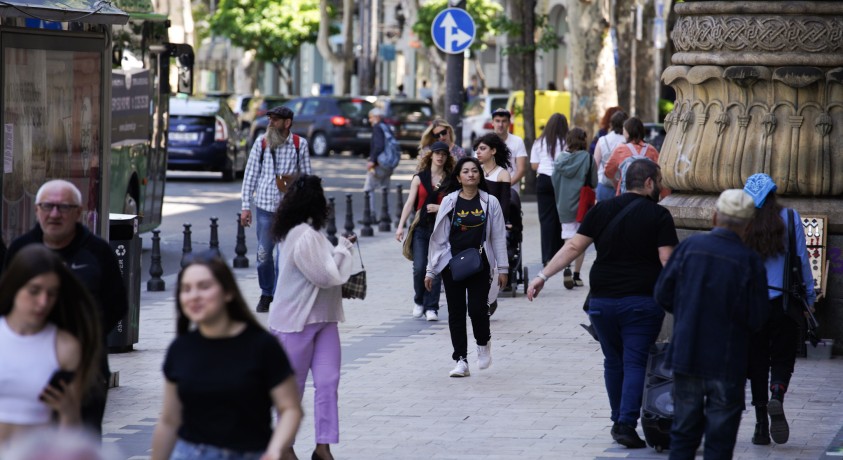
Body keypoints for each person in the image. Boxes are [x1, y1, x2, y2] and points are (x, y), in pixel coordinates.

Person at [527, 159, 678, 448]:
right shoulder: (659, 216)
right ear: (648, 183)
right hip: (641, 302)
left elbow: (573, 246)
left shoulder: (602, 209)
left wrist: (543, 276)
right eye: (657, 180)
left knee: (613, 361)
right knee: (635, 362)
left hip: (602, 302)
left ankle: (617, 419)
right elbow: (666, 261)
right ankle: (624, 423)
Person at [5, 180, 127, 437]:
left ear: (78, 212)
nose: (54, 214)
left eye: (63, 207)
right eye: (47, 206)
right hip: (29, 367)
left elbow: (117, 304)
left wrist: (85, 336)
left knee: (79, 440)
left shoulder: (98, 252)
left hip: (86, 368)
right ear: (37, 210)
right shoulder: (21, 250)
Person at [151, 253, 303, 460]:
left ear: (228, 292)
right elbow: (169, 421)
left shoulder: (262, 345)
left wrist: (276, 449)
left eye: (204, 286)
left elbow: (290, 409)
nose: (194, 295)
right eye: (186, 289)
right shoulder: (180, 349)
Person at [653, 189, 770, 459]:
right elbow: (758, 318)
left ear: (715, 216)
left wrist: (688, 314)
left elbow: (663, 294)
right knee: (720, 440)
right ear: (749, 225)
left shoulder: (690, 247)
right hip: (727, 362)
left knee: (683, 434)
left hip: (688, 352)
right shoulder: (750, 261)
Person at [268, 175, 356, 460]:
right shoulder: (303, 235)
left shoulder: (310, 234)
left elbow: (325, 269)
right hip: (295, 324)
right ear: (317, 203)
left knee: (328, 383)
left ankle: (323, 448)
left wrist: (340, 249)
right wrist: (344, 249)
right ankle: (284, 448)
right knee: (292, 390)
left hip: (324, 321)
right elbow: (325, 275)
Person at [0, 245, 101, 448]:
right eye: (34, 291)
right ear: (15, 286)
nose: (43, 302)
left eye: (52, 293)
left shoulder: (64, 348)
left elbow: (71, 428)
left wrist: (68, 411)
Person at [742, 173, 816, 446]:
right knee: (783, 358)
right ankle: (777, 393)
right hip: (784, 303)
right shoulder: (791, 216)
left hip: (752, 305)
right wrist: (809, 296)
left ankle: (761, 425)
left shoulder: (742, 221)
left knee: (757, 362)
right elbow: (801, 260)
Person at [425, 157, 508, 377]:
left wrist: (503, 268)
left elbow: (499, 237)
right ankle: (461, 359)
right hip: (452, 265)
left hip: (480, 264)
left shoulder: (490, 202)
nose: (470, 174)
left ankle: (483, 344)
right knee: (456, 312)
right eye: (466, 171)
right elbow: (438, 238)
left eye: (474, 171)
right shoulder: (449, 202)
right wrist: (430, 270)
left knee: (477, 310)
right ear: (458, 177)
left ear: (479, 175)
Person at [241, 106, 313, 313]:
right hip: (265, 208)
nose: (270, 123)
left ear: (287, 123)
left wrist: (309, 209)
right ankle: (267, 293)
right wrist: (246, 207)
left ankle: (282, 297)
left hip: (290, 211)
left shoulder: (300, 145)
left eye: (275, 120)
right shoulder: (261, 143)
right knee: (263, 257)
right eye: (269, 119)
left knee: (285, 258)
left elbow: (307, 178)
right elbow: (250, 176)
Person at [396, 142, 455, 322]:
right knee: (419, 268)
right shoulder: (419, 178)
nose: (440, 157)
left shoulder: (450, 180)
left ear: (447, 157)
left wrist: (440, 207)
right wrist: (400, 226)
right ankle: (419, 300)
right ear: (430, 156)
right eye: (437, 153)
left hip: (440, 228)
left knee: (435, 268)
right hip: (421, 227)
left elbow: (455, 202)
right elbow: (409, 203)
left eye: (443, 154)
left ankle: (432, 307)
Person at [550, 128, 597, 289]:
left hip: (563, 203)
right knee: (581, 239)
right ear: (583, 140)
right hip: (582, 204)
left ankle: (567, 267)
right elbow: (594, 182)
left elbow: (554, 182)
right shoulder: (588, 158)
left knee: (568, 238)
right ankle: (577, 275)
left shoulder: (559, 160)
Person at [530, 113, 568, 266]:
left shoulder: (540, 141)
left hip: (544, 180)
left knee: (546, 219)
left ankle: (547, 257)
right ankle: (561, 255)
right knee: (561, 218)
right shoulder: (567, 142)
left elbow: (533, 165)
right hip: (562, 182)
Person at [604, 117, 667, 199]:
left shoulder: (620, 149)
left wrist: (616, 183)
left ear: (627, 133)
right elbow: (661, 173)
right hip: (648, 195)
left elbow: (608, 171)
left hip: (625, 195)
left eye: (624, 130)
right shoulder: (651, 150)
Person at [474, 133, 512, 224]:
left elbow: (504, 205)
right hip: (474, 218)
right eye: (477, 149)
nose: (478, 152)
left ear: (493, 151)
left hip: (494, 221)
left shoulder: (503, 174)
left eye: (482, 148)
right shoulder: (475, 170)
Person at [365, 108, 396, 212]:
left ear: (377, 117)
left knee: (368, 188)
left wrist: (372, 161)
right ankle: (385, 215)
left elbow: (378, 146)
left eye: (371, 117)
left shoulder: (377, 128)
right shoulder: (387, 127)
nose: (369, 120)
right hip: (389, 164)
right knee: (385, 189)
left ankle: (370, 214)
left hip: (380, 164)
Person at [490, 108, 528, 194]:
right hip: (489, 188)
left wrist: (507, 185)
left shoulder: (517, 141)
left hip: (511, 189)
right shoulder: (485, 141)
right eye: (497, 121)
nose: (500, 124)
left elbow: (521, 169)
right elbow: (478, 165)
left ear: (509, 123)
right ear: (492, 122)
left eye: (504, 121)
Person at [594, 111, 629, 201]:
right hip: (623, 187)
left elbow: (595, 165)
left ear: (611, 124)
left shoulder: (602, 140)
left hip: (604, 185)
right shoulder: (628, 142)